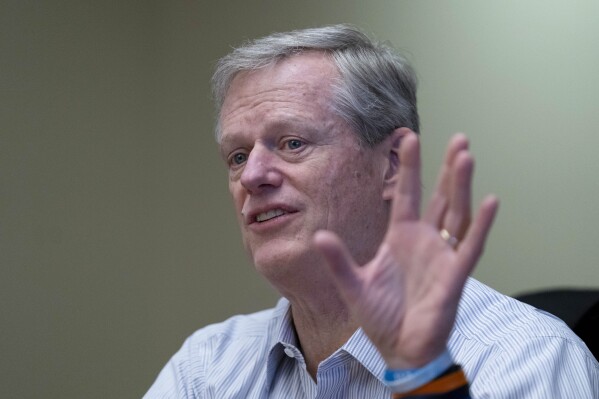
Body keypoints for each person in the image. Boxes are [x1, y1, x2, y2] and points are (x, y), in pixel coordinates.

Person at [145, 25, 599, 398]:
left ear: (393, 165)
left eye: (292, 143)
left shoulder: (528, 357)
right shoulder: (206, 366)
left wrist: (425, 378)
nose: (252, 177)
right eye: (238, 156)